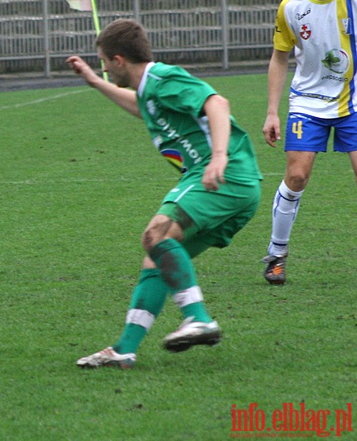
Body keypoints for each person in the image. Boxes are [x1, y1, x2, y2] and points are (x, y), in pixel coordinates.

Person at [66, 19, 262, 369]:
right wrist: (95, 82)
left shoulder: (162, 78)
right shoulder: (150, 91)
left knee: (155, 233)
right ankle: (125, 348)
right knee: (155, 255)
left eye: (104, 62)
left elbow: (217, 103)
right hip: (236, 185)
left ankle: (199, 318)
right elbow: (143, 107)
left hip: (222, 174)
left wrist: (218, 157)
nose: (105, 68)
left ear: (119, 59)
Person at [261, 0, 357, 285]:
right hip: (308, 102)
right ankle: (276, 254)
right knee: (297, 176)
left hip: (353, 102)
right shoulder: (291, 7)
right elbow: (279, 57)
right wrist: (273, 111)